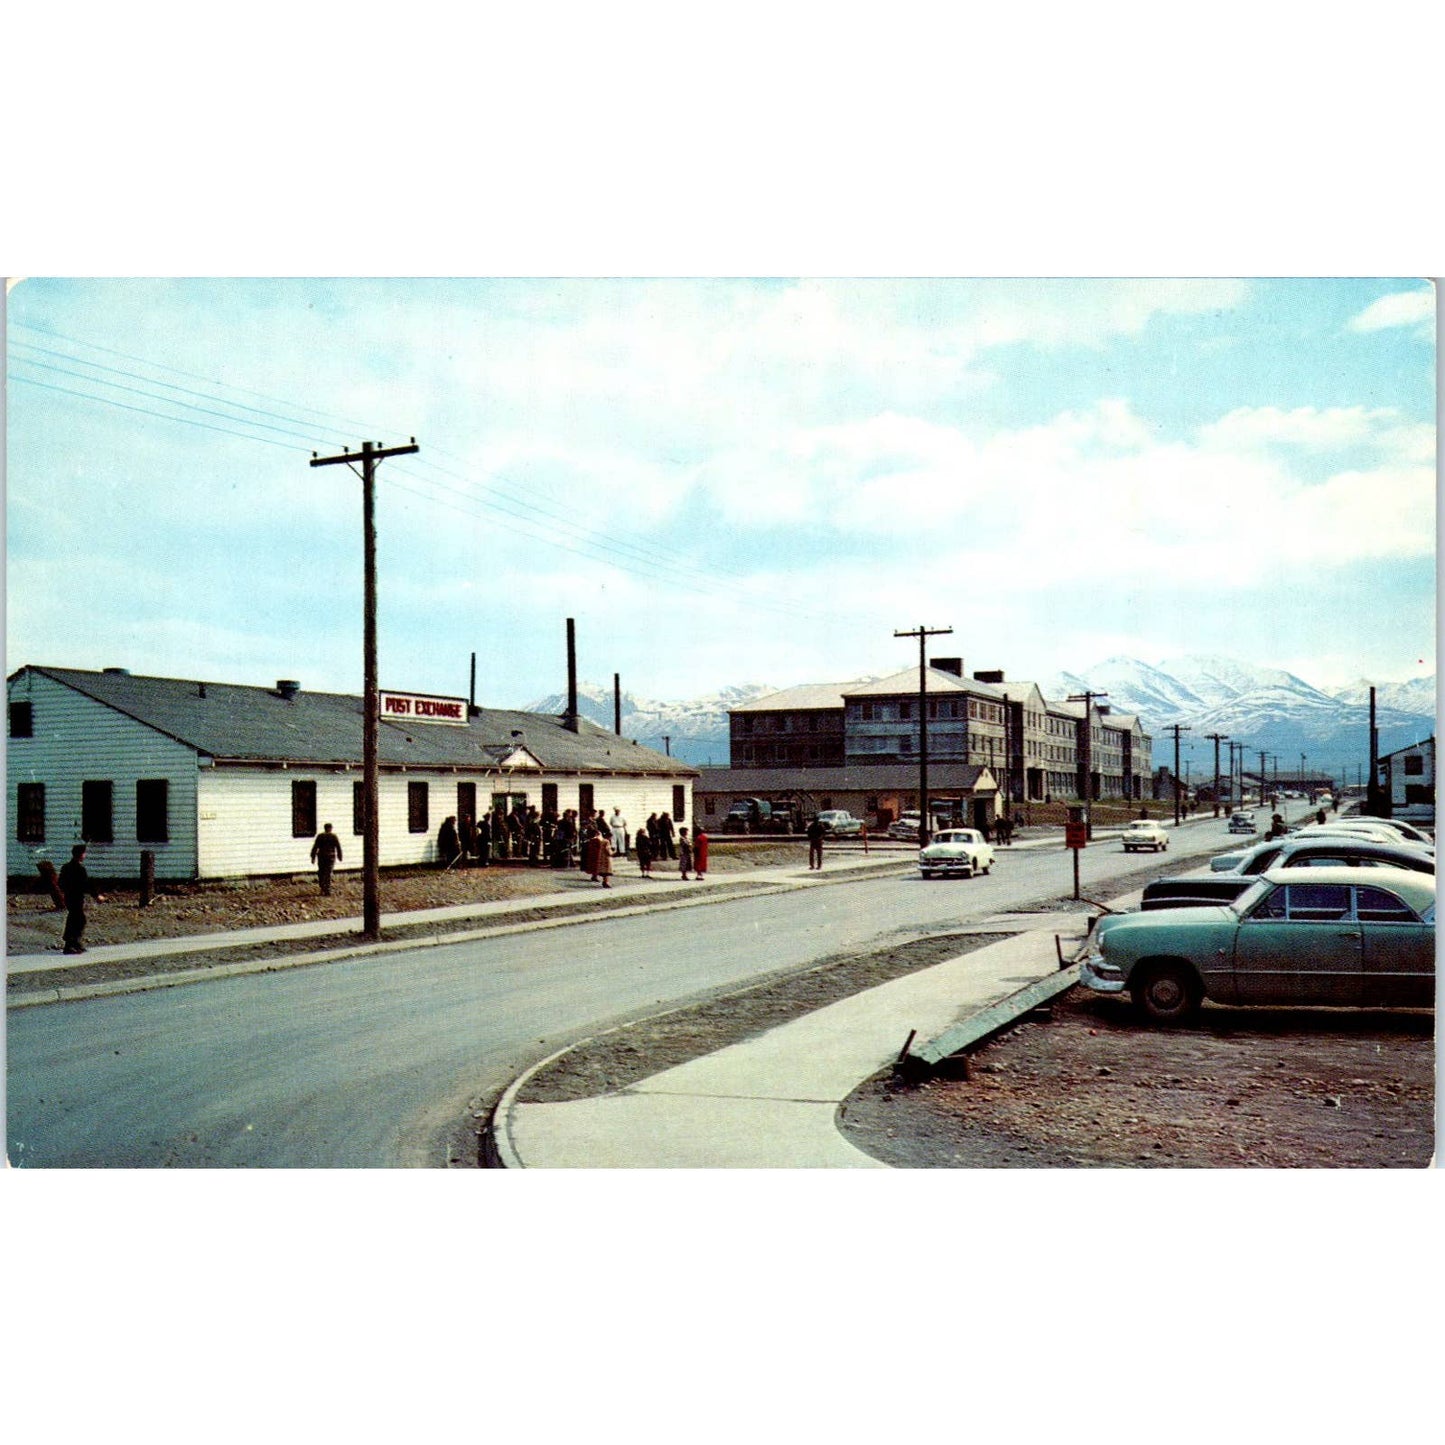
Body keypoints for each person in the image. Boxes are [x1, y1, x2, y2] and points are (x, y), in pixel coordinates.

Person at [58, 843, 103, 954]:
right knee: (77, 919)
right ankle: (70, 944)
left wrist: (67, 890)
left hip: (69, 897)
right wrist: (96, 895)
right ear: (81, 854)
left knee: (76, 918)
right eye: (84, 853)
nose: (85, 855)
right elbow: (86, 884)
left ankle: (75, 943)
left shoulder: (66, 867)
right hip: (76, 897)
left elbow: (60, 882)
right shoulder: (80, 869)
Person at [310, 822, 343, 896]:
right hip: (330, 857)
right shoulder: (334, 836)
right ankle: (327, 889)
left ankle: (323, 888)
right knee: (328, 873)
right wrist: (340, 856)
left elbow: (315, 847)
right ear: (330, 828)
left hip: (321, 856)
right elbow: (338, 847)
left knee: (321, 872)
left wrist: (313, 857)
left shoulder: (320, 836)